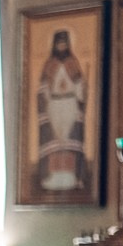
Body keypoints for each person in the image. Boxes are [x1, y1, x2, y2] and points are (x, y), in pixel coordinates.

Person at [35, 29, 90, 193]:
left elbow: (79, 84)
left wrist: (82, 92)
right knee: (56, 142)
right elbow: (44, 88)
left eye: (64, 43)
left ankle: (71, 177)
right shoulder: (49, 64)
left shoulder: (73, 63)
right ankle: (54, 177)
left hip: (69, 104)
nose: (61, 46)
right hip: (55, 105)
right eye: (59, 43)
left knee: (68, 141)